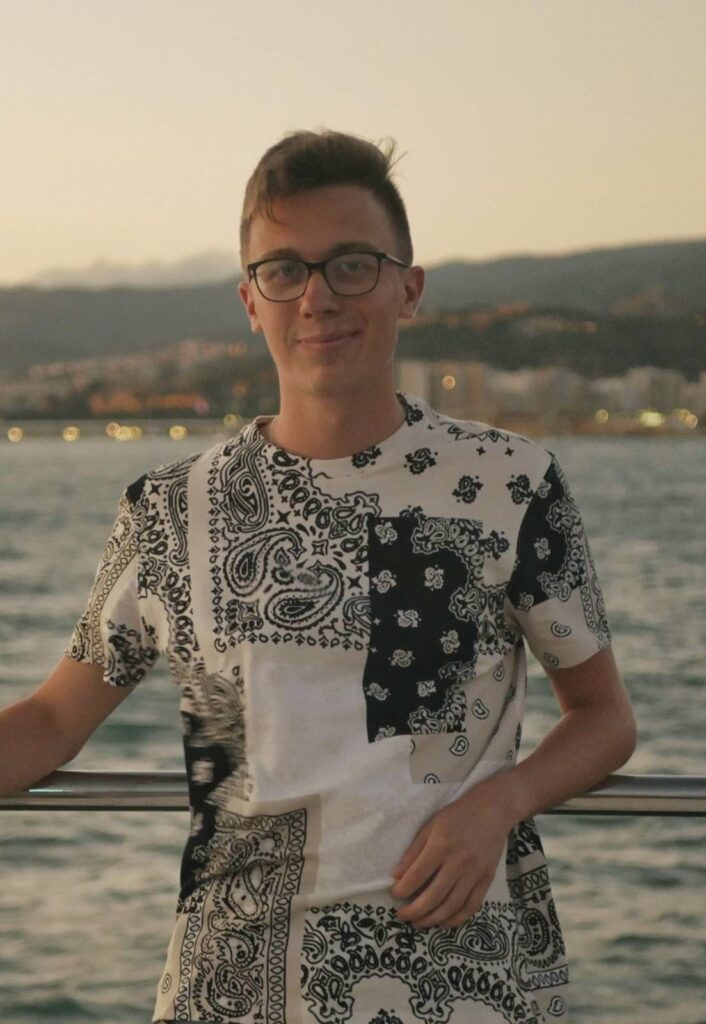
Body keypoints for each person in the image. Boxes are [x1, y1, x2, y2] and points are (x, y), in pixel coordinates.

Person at [0, 130, 636, 1024]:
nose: (317, 297)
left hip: (464, 983)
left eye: (351, 265)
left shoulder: (511, 482)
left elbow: (604, 718)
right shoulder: (170, 510)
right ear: (249, 301)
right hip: (230, 988)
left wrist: (503, 800)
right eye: (283, 271)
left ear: (408, 288)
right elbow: (54, 720)